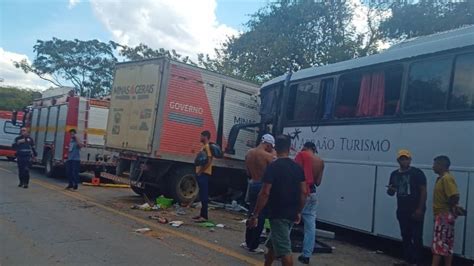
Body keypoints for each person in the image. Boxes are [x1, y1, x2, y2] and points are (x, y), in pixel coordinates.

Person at [248, 135, 306, 266]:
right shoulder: (297, 168)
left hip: (278, 213)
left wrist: (255, 214)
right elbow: (304, 192)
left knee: (284, 250)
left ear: (276, 148)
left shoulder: (273, 167)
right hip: (291, 212)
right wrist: (299, 211)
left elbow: (265, 192)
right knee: (273, 245)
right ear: (290, 148)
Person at [387, 149, 427, 266]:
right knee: (405, 235)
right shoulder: (394, 174)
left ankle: (418, 262)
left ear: (410, 160)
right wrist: (390, 190)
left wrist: (420, 209)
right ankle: (407, 260)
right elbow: (391, 192)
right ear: (398, 160)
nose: (404, 161)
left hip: (415, 209)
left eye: (406, 158)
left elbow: (423, 191)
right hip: (402, 210)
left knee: (417, 236)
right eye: (402, 159)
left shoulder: (417, 173)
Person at [240, 134, 275, 254]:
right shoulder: (268, 156)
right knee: (260, 214)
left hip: (252, 183)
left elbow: (247, 172)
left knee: (251, 213)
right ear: (268, 144)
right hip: (262, 184)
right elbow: (274, 169)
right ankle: (253, 245)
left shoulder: (249, 153)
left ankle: (247, 241)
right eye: (271, 147)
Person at [294, 142, 324, 265]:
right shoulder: (320, 161)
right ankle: (306, 255)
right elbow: (318, 182)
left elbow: (295, 177)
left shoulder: (301, 156)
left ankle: (280, 251)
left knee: (290, 220)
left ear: (306, 148)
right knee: (310, 226)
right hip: (312, 194)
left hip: (300, 193)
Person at [431, 156, 460, 266]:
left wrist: (449, 209)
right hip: (445, 215)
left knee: (438, 245)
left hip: (443, 216)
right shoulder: (441, 178)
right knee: (447, 245)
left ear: (441, 165)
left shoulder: (446, 179)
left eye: (435, 165)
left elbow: (454, 195)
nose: (433, 167)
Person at [193, 130, 213, 223]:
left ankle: (204, 216)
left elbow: (208, 161)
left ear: (205, 137)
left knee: (204, 195)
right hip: (202, 173)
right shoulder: (204, 147)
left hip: (204, 173)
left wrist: (201, 171)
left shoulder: (207, 147)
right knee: (202, 194)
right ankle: (201, 214)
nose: (200, 138)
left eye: (201, 136)